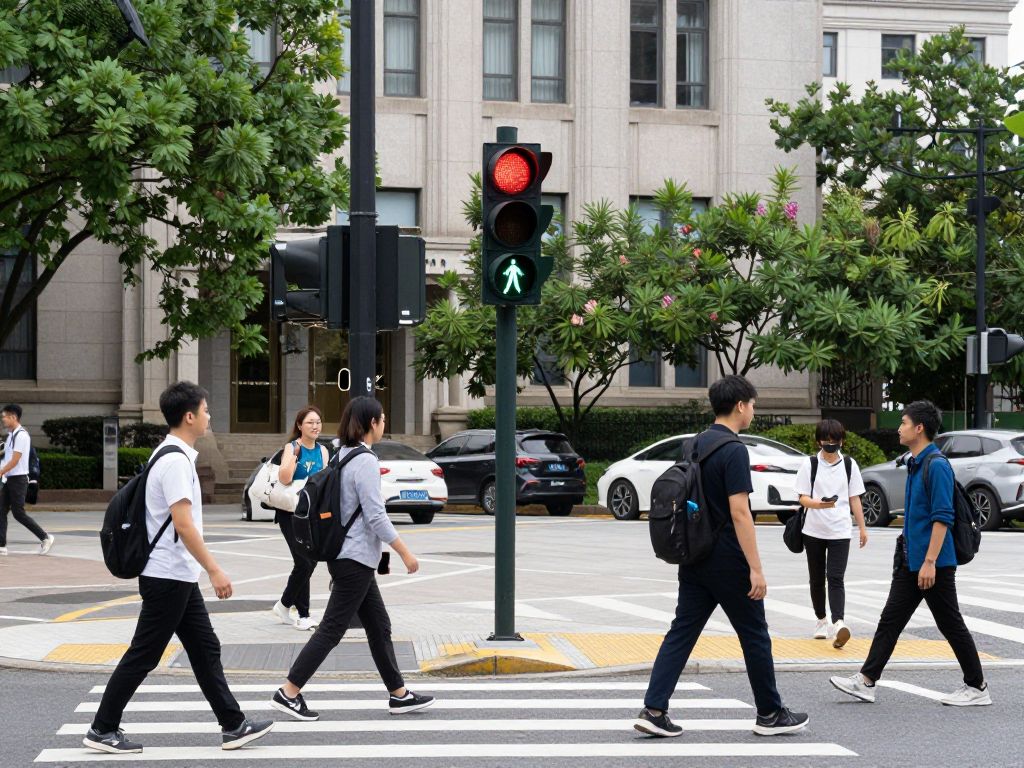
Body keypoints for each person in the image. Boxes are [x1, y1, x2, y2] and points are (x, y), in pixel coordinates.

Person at [85, 382, 273, 754]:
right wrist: (215, 569)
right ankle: (101, 728)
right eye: (205, 410)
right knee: (145, 653)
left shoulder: (176, 455)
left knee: (205, 648)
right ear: (189, 416)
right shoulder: (174, 460)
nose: (208, 417)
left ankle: (233, 725)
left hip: (177, 576)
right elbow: (183, 524)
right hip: (167, 576)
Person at [635, 375, 808, 738]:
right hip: (728, 558)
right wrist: (756, 569)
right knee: (755, 635)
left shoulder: (695, 444)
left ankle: (654, 708)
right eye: (753, 405)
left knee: (681, 631)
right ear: (741, 405)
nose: (754, 411)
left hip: (693, 553)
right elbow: (740, 512)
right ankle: (770, 713)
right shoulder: (734, 450)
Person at [271, 396, 434, 721]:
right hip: (353, 558)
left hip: (348, 554)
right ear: (371, 423)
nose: (384, 424)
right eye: (382, 419)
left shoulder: (343, 455)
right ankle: (288, 692)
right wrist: (404, 552)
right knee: (332, 629)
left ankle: (398, 694)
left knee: (379, 626)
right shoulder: (364, 461)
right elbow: (375, 515)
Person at [830, 400, 991, 707]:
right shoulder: (916, 463)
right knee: (890, 620)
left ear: (919, 429)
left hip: (934, 564)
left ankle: (977, 686)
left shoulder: (937, 466)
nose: (899, 428)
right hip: (911, 561)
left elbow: (942, 517)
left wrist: (930, 562)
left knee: (950, 623)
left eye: (904, 423)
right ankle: (866, 681)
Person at [793, 419, 868, 648]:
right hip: (813, 530)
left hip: (840, 530)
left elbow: (854, 497)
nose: (830, 445)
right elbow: (802, 497)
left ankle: (838, 623)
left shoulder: (849, 465)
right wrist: (819, 505)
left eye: (834, 441)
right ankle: (820, 620)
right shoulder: (810, 464)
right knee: (816, 579)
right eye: (826, 441)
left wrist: (862, 527)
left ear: (841, 441)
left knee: (835, 578)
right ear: (819, 441)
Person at [271, 405, 331, 631]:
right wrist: (293, 459)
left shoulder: (323, 451)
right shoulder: (292, 447)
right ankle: (303, 614)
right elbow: (285, 478)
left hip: (310, 514)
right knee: (304, 561)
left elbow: (323, 483)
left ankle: (284, 605)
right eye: (310, 423)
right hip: (289, 514)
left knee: (309, 560)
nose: (315, 426)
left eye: (317, 422)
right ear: (299, 426)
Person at [0, 404, 54, 556]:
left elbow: (15, 460)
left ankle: (45, 537)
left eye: (5, 416)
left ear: (14, 417)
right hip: (10, 479)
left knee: (18, 513)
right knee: (1, 510)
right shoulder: (11, 436)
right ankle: (1, 545)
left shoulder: (22, 435)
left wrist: (1, 471)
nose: (3, 419)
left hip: (19, 480)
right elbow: (7, 458)